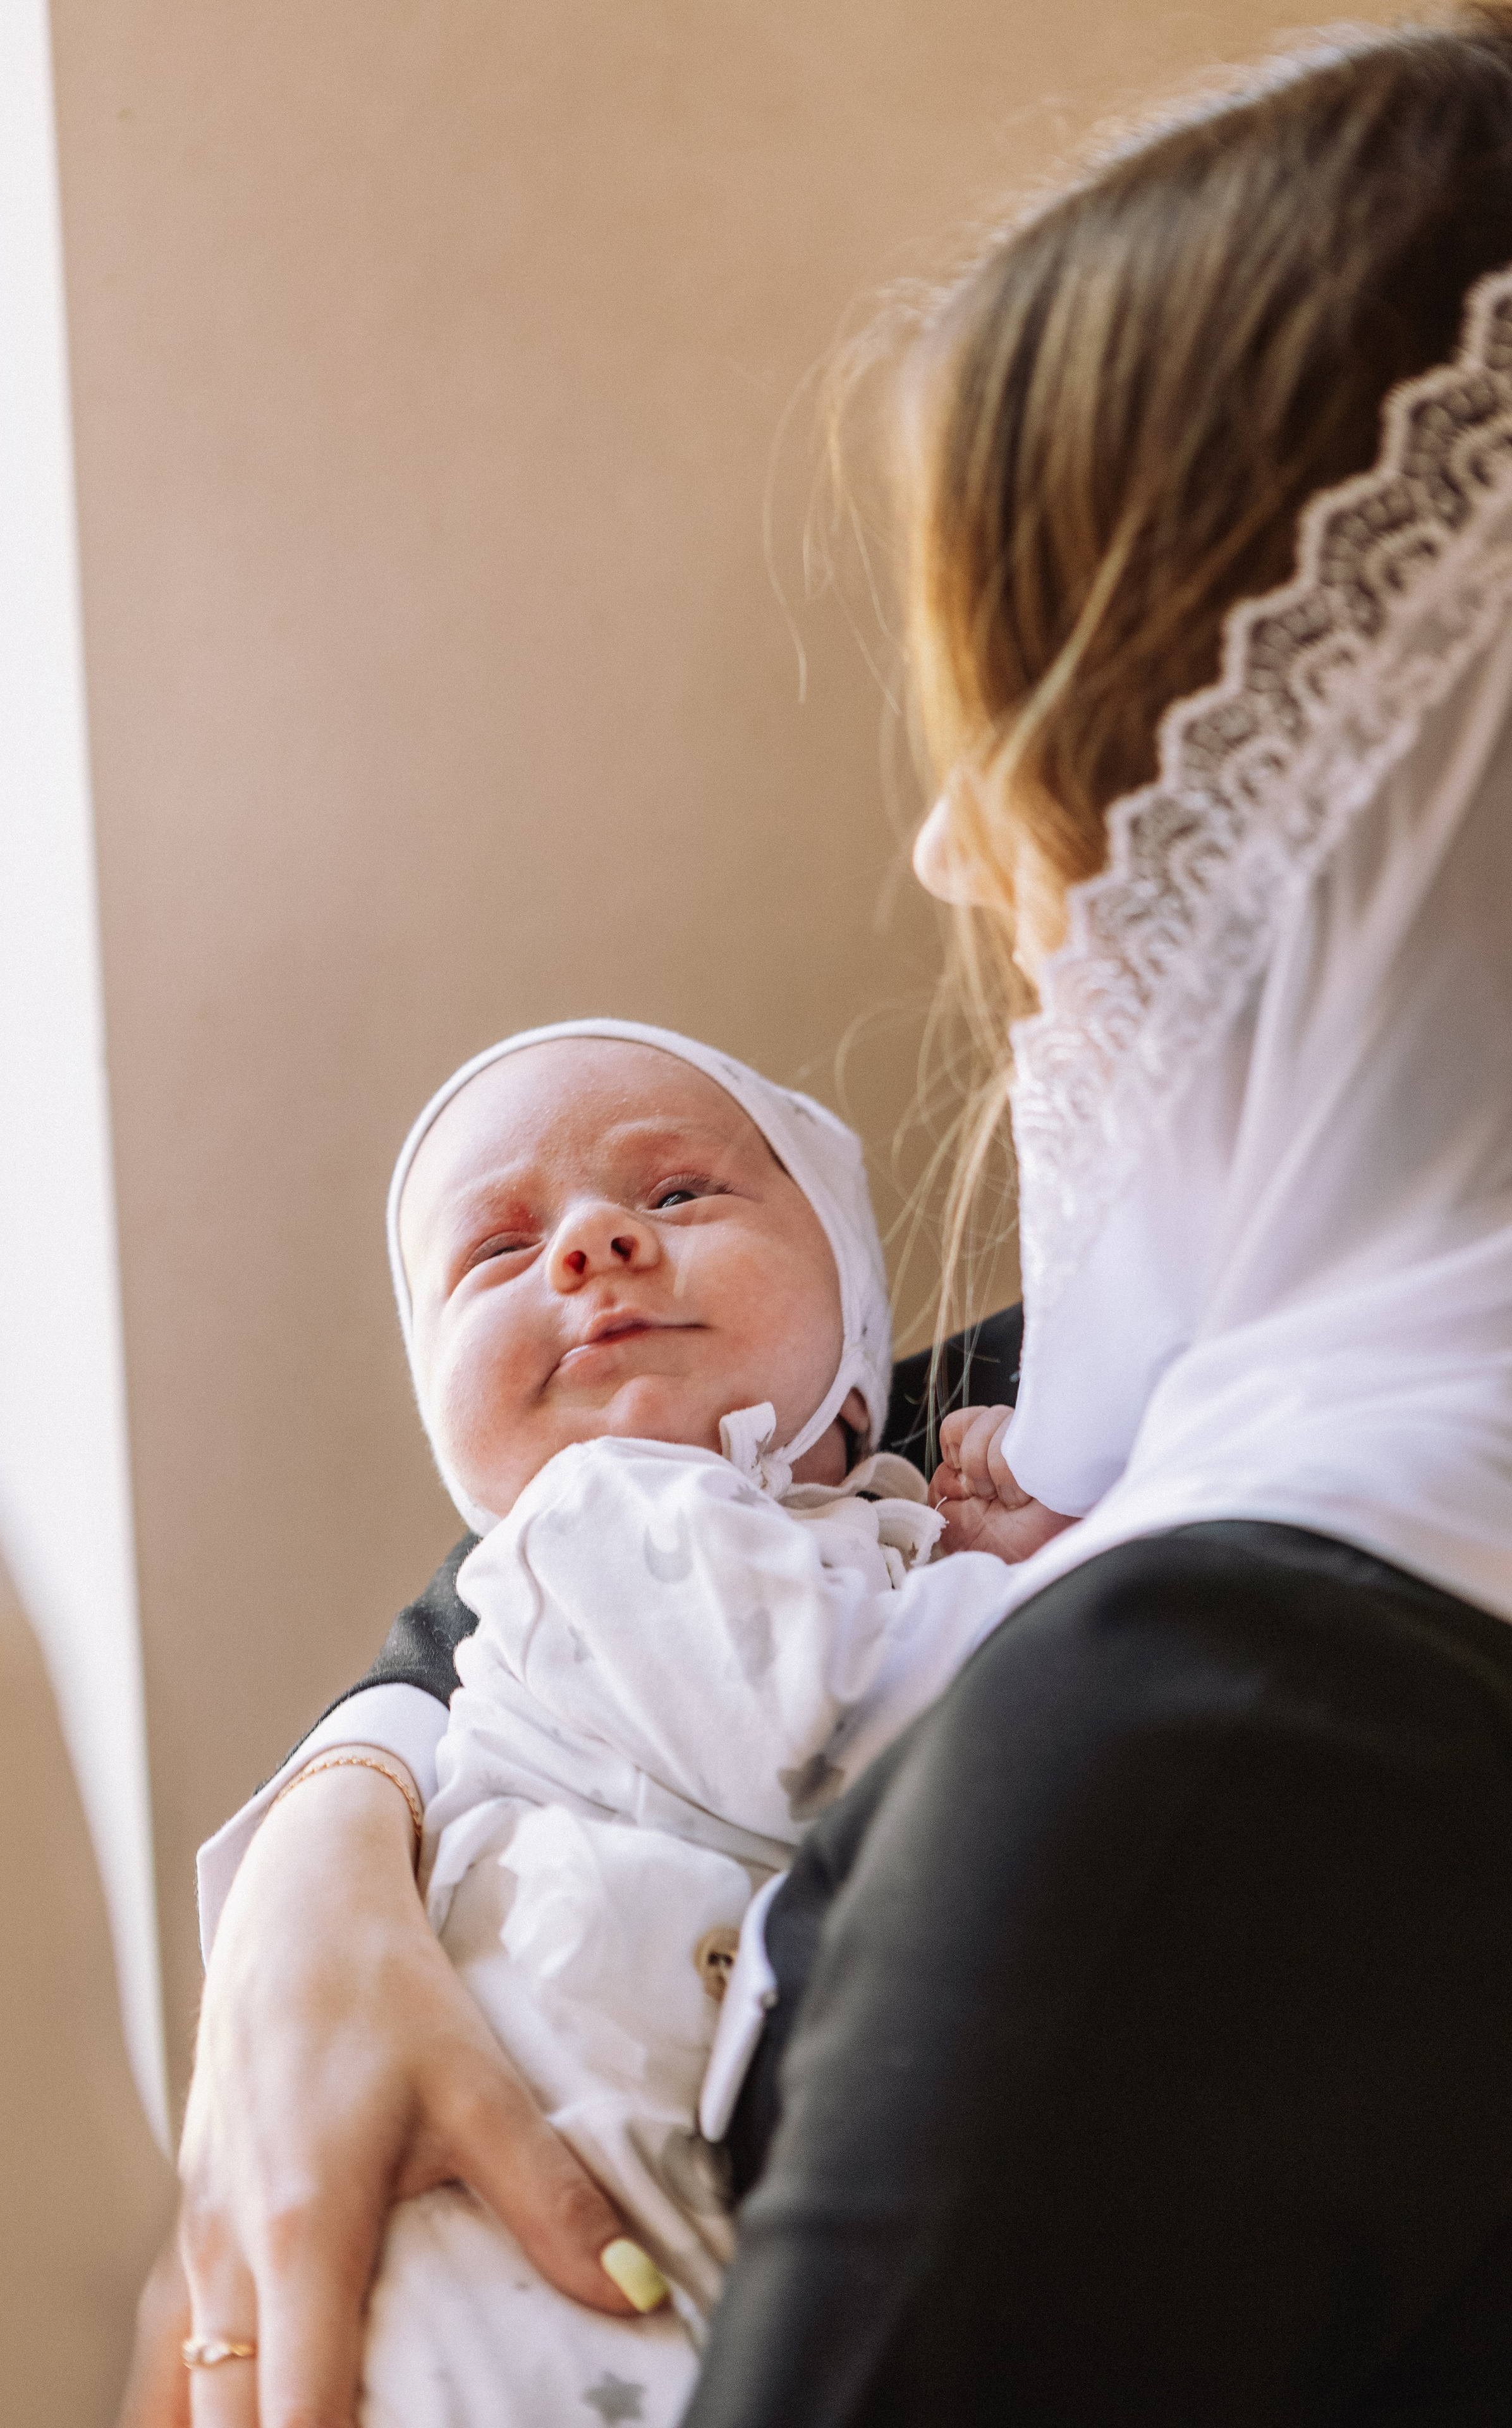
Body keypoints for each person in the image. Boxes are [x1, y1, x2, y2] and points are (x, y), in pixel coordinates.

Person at [130, 13, 1512, 2423]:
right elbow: (574, 1536)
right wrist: (335, 1854)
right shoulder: (1223, 1376)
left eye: (1020, 742)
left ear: (1292, 803)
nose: (945, 855)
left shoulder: (1176, 1753)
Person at [339, 1017, 1057, 2428]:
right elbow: (869, 1736)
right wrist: (1057, 1570)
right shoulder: (598, 1524)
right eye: (493, 1251)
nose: (591, 1244)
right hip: (514, 2268)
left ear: (857, 1332)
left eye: (674, 1195)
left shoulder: (834, 1532)